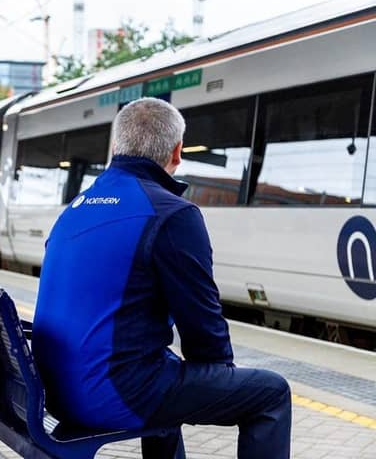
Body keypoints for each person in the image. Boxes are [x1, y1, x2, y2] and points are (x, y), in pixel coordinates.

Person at [32, 97, 291, 459]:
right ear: (177, 152)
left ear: (115, 147)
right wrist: (218, 378)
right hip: (108, 394)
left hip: (54, 389)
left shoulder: (77, 207)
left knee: (167, 373)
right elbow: (201, 322)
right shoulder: (172, 214)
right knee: (270, 393)